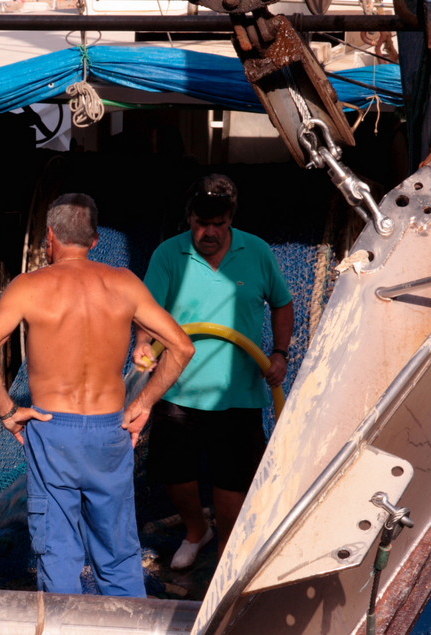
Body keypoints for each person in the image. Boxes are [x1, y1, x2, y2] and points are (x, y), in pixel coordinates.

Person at [0, 193, 195, 596]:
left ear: (49, 237)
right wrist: (142, 405)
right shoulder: (124, 282)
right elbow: (182, 347)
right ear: (94, 242)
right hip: (111, 431)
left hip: (52, 430)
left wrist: (7, 411)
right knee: (118, 552)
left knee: (58, 553)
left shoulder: (27, 287)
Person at [133, 173, 294, 570]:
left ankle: (227, 553)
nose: (208, 232)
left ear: (230, 219)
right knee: (176, 475)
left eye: (218, 225)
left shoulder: (256, 251)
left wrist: (279, 353)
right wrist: (141, 342)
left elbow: (283, 304)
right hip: (177, 389)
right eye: (201, 223)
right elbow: (147, 309)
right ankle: (195, 531)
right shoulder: (169, 254)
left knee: (232, 482)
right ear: (188, 217)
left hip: (239, 393)